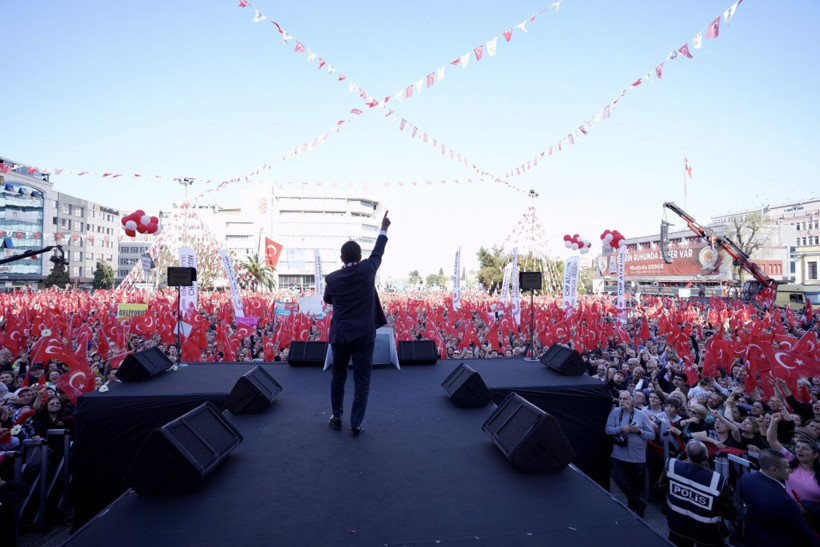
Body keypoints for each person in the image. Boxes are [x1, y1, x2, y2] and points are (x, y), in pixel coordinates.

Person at [323, 210, 390, 436]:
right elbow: (379, 252)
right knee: (362, 381)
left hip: (340, 335)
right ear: (360, 256)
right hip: (363, 335)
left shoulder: (332, 279)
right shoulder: (368, 270)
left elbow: (327, 300)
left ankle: (336, 415)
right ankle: (356, 423)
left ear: (341, 258)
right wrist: (384, 228)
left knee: (338, 376)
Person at [739, 448, 820, 546]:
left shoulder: (745, 479)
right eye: (786, 467)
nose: (789, 470)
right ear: (774, 470)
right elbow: (805, 534)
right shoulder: (785, 501)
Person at [663, 440, 736, 546]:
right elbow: (728, 512)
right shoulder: (717, 480)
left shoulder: (672, 465)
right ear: (706, 458)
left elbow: (660, 487)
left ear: (687, 454)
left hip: (676, 524)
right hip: (705, 533)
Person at [605, 390, 655, 517]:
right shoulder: (615, 412)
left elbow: (652, 435)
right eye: (621, 399)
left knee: (635, 487)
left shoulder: (641, 415)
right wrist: (620, 429)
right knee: (619, 480)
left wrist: (638, 431)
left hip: (637, 458)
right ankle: (639, 503)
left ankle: (634, 511)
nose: (622, 401)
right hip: (618, 455)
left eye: (625, 399)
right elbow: (608, 430)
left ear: (632, 400)